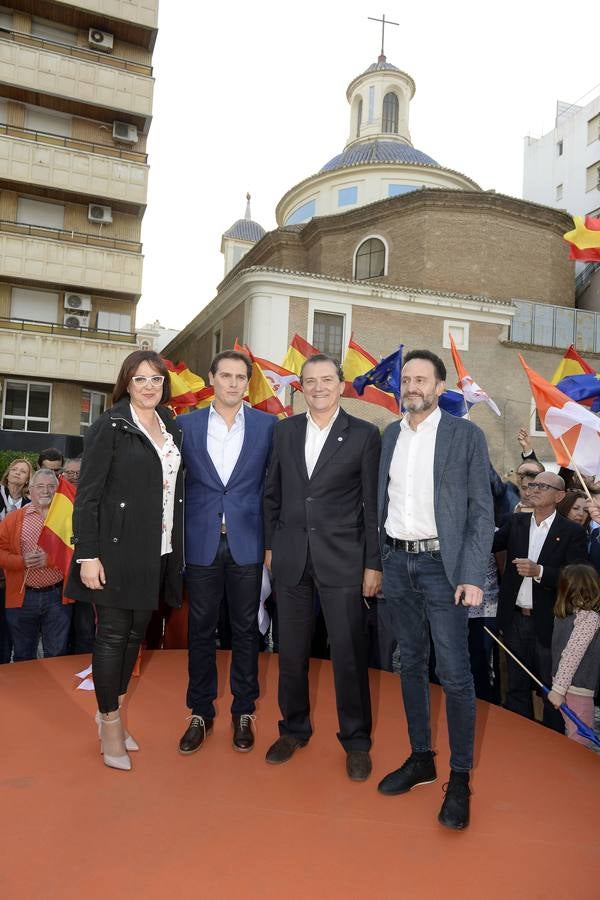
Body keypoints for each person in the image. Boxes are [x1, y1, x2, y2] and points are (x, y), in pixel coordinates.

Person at [376, 349, 494, 830]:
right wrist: (379, 562)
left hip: (443, 567)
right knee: (408, 663)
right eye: (406, 379)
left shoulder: (466, 435)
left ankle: (460, 778)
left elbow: (482, 511)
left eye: (421, 379)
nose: (412, 387)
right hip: (397, 561)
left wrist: (470, 574)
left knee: (455, 673)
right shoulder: (390, 435)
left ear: (440, 387)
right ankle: (421, 757)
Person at [264, 353, 381, 782]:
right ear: (300, 386)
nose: (318, 387)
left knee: (349, 655)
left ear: (341, 384)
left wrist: (373, 564)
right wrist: (270, 547)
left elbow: (372, 506)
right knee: (290, 653)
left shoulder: (366, 435)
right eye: (310, 380)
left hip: (345, 560)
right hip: (292, 557)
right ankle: (293, 729)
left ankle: (356, 740)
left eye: (326, 379)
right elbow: (271, 494)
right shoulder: (285, 432)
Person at [66, 350, 184, 771]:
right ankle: (111, 724)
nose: (149, 386)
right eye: (140, 379)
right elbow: (89, 494)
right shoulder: (110, 426)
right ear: (126, 384)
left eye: (156, 379)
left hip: (158, 548)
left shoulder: (170, 426)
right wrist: (88, 555)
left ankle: (106, 712)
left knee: (135, 635)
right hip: (114, 550)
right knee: (113, 637)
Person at [177, 350, 275, 756]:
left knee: (246, 630)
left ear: (247, 383)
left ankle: (243, 711)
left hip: (248, 543)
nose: (234, 383)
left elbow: (274, 488)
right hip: (199, 541)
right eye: (226, 375)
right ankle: (200, 711)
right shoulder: (184, 426)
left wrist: (271, 545)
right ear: (212, 379)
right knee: (199, 631)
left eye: (241, 377)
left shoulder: (269, 426)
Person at [492, 472, 588, 732]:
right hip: (514, 619)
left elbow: (576, 577)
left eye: (542, 486)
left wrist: (541, 572)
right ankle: (518, 737)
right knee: (515, 685)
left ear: (559, 496)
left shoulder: (572, 532)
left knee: (549, 687)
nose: (533, 489)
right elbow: (487, 544)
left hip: (550, 623)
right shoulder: (515, 522)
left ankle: (550, 743)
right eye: (532, 485)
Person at [0, 469, 72, 661]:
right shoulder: (13, 519)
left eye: (51, 486)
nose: (45, 491)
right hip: (23, 596)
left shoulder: (68, 518)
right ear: (29, 490)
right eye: (40, 486)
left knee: (57, 653)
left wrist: (49, 560)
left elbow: (78, 552)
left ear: (57, 491)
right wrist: (21, 562)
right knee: (23, 654)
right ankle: (27, 691)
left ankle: (53, 691)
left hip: (57, 596)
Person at [548, 563, 600, 747]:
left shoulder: (562, 616)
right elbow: (571, 655)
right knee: (581, 742)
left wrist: (558, 688)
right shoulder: (589, 618)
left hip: (563, 686)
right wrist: (559, 690)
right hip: (576, 690)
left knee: (573, 735)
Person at [0, 458, 33, 662]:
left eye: (23, 471)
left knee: (12, 623)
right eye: (15, 468)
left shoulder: (30, 505)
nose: (17, 473)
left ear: (28, 479)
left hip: (17, 574)